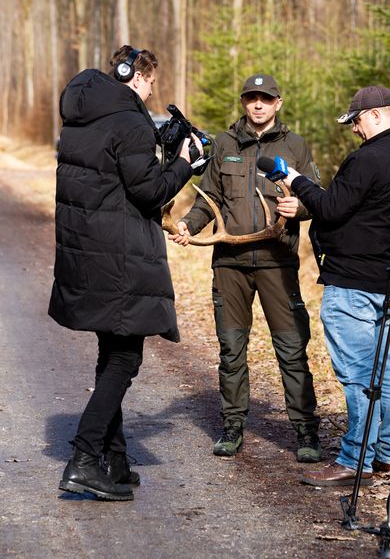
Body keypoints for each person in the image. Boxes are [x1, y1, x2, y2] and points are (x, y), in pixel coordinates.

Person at [49, 45, 201, 501]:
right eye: (152, 82)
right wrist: (185, 164)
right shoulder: (130, 122)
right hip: (118, 258)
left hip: (87, 255)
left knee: (110, 350)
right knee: (125, 359)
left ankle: (113, 460)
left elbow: (114, 180)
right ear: (137, 77)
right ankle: (83, 459)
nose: (154, 90)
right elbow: (150, 190)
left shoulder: (81, 118)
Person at [171, 74, 321, 462]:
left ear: (278, 103)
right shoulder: (224, 144)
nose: (258, 105)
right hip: (230, 265)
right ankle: (232, 425)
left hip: (277, 262)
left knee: (291, 348)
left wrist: (299, 208)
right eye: (251, 98)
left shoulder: (295, 145)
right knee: (231, 348)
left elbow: (314, 195)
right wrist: (189, 224)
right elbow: (210, 198)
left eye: (265, 99)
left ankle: (305, 431)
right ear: (244, 103)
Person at [277, 85, 390, 487]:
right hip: (388, 279)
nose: (354, 129)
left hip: (352, 281)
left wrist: (296, 179)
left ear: (374, 115)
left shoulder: (367, 158)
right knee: (387, 369)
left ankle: (355, 459)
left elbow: (331, 207)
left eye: (355, 121)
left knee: (358, 375)